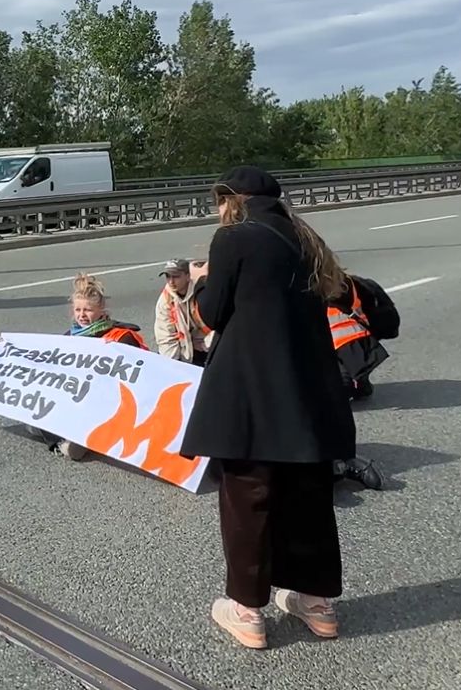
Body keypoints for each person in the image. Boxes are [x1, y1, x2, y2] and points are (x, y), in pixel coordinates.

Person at [178, 165, 356, 651]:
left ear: (232, 200)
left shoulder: (233, 238)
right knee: (309, 497)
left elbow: (214, 314)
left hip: (252, 392)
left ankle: (248, 612)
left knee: (247, 499)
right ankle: (316, 603)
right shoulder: (306, 238)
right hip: (310, 389)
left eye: (219, 202)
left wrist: (200, 281)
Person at [23, 273, 149, 460]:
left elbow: (143, 373)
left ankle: (84, 437)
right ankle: (72, 439)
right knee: (31, 420)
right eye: (78, 310)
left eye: (88, 310)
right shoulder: (70, 336)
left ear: (101, 310)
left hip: (109, 400)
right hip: (77, 395)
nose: (82, 315)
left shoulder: (121, 337)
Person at [153, 258, 210, 366]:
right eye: (168, 276)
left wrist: (205, 346)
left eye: (176, 276)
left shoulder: (202, 293)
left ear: (188, 277)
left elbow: (219, 329)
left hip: (207, 348)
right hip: (186, 352)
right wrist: (173, 365)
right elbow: (165, 336)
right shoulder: (166, 300)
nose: (171, 281)